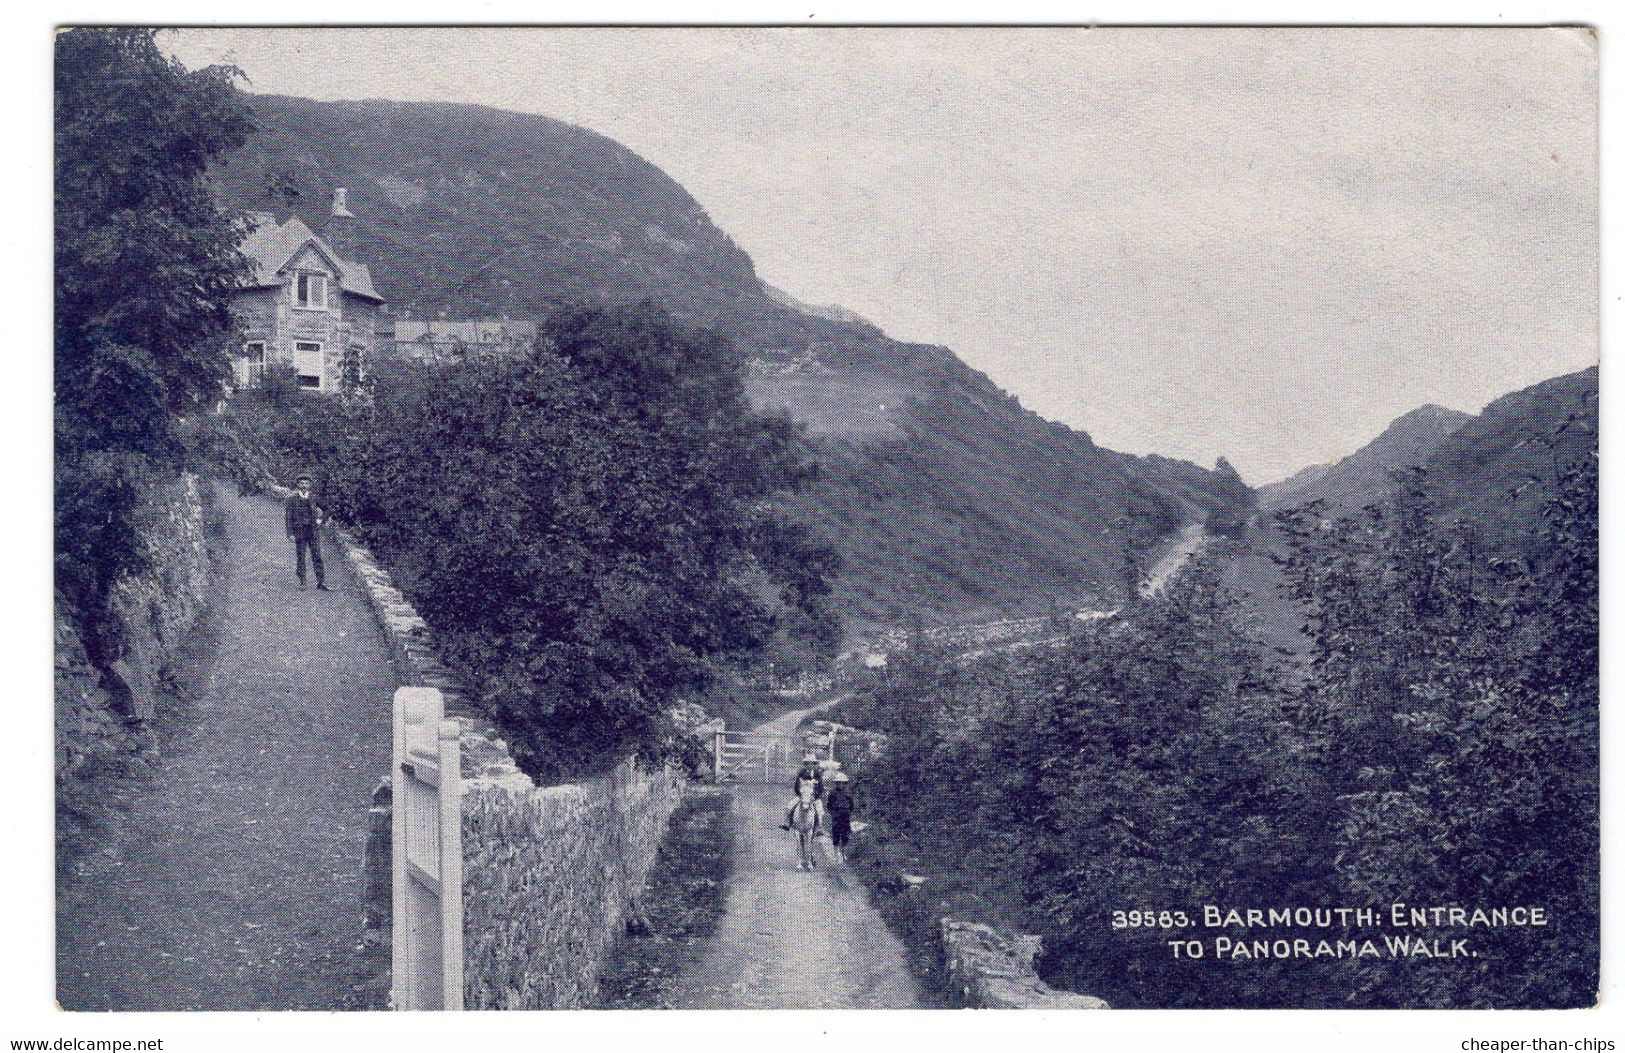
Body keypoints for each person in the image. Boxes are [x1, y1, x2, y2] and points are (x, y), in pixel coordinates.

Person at [285, 474, 329, 590]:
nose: (304, 485)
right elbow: (288, 518)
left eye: (306, 483)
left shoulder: (315, 498)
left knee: (317, 556)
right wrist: (290, 534)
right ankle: (303, 581)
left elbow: (327, 509)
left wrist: (320, 520)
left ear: (310, 485)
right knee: (301, 557)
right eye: (302, 483)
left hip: (313, 532)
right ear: (298, 485)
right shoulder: (292, 500)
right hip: (299, 532)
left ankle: (321, 582)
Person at [781, 782, 825, 871]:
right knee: (789, 806)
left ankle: (819, 827)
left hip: (812, 798)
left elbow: (820, 788)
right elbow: (796, 788)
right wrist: (800, 794)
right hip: (802, 797)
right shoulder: (802, 775)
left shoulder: (816, 775)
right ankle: (787, 822)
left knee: (819, 812)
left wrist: (815, 795)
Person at [825, 772, 855, 864]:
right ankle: (835, 853)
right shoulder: (832, 794)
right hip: (836, 817)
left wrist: (848, 812)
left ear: (845, 784)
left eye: (842, 783)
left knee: (845, 836)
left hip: (845, 817)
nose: (841, 785)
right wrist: (833, 814)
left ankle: (842, 852)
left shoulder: (848, 794)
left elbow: (851, 805)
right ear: (836, 783)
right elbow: (829, 805)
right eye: (839, 783)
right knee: (836, 836)